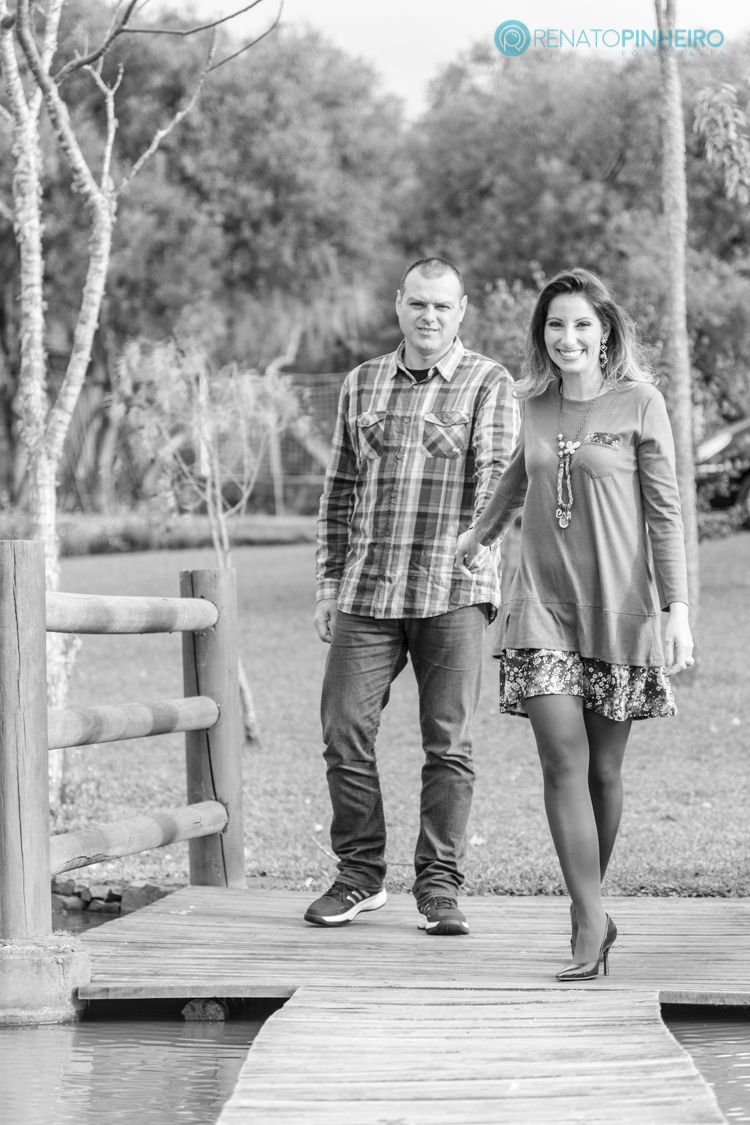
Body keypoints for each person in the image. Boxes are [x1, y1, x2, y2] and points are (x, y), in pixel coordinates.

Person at [456, 268, 693, 978]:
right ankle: (591, 921)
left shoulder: (641, 403)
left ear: (605, 331)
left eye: (582, 324)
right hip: (541, 606)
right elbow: (517, 477)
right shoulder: (533, 404)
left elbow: (665, 513)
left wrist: (677, 610)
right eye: (556, 325)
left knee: (604, 770)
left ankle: (587, 904)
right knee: (562, 759)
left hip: (618, 609)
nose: (568, 337)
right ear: (543, 335)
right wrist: (478, 536)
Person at [306, 257, 519, 936]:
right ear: (399, 303)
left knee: (448, 743)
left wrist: (479, 541)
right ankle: (359, 875)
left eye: (443, 306)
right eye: (419, 303)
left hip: (452, 589)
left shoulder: (489, 381)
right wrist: (329, 585)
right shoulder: (361, 382)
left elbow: (498, 477)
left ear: (462, 311)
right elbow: (340, 490)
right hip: (367, 588)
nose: (430, 316)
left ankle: (439, 887)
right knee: (344, 730)